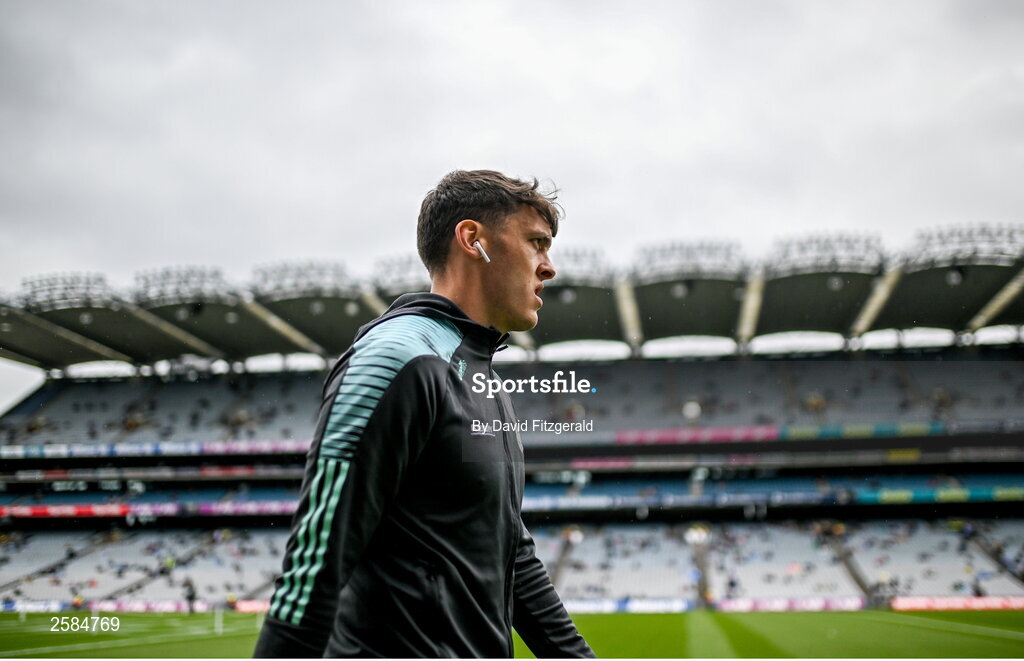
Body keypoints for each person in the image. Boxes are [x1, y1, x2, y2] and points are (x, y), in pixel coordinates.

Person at [253, 170, 594, 658]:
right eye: (536, 243)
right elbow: (318, 559)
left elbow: (512, 556)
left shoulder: (486, 382)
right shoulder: (396, 358)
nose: (549, 267)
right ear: (473, 240)